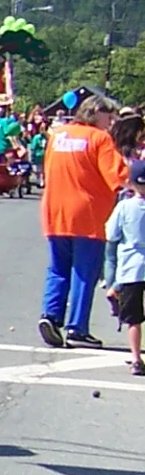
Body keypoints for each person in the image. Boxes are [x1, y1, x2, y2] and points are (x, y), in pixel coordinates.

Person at [39, 94, 129, 349]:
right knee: (84, 272)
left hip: (54, 209)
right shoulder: (99, 139)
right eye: (108, 117)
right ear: (95, 113)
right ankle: (77, 327)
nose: (110, 123)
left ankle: (51, 315)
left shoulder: (57, 136)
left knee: (57, 268)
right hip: (87, 213)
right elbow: (118, 175)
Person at [104, 159, 145, 376]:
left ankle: (137, 358)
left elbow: (111, 234)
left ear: (131, 182)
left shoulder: (125, 206)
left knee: (134, 319)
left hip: (132, 268)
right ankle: (113, 290)